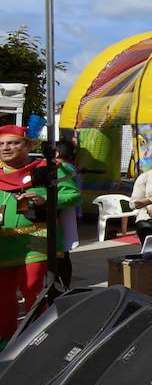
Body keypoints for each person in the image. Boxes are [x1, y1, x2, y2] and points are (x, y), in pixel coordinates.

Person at [0, 125, 77, 342]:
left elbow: (72, 195)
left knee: (33, 287)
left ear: (28, 145)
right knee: (3, 296)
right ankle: (6, 340)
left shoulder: (46, 168)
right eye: (2, 144)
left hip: (38, 235)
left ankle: (40, 337)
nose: (6, 148)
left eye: (13, 143)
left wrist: (46, 199)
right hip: (3, 241)